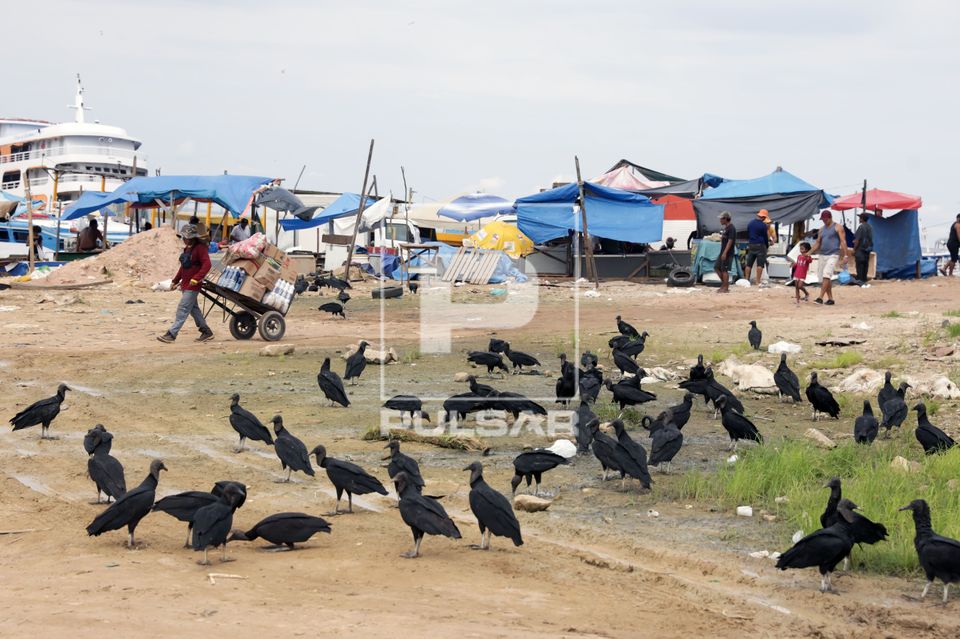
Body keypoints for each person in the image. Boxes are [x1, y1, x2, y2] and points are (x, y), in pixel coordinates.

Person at [157, 224, 213, 343]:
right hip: (185, 285)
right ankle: (206, 332)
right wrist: (175, 281)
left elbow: (207, 265)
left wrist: (196, 278)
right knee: (194, 309)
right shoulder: (187, 249)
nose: (183, 239)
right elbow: (183, 268)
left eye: (185, 237)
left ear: (191, 237)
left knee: (183, 308)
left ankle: (171, 334)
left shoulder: (200, 248)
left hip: (193, 285)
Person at [808, 210, 849, 305]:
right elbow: (818, 242)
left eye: (825, 219)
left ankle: (820, 298)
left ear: (830, 218)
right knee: (825, 278)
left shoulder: (837, 227)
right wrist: (809, 252)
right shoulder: (822, 229)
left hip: (833, 254)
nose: (824, 221)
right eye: (822, 219)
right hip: (822, 254)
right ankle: (830, 299)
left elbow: (843, 241)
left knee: (827, 274)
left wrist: (845, 255)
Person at [744, 209, 771, 286]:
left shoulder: (750, 223)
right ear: (764, 217)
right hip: (760, 245)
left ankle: (746, 280)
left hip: (751, 244)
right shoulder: (763, 225)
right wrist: (767, 245)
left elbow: (748, 233)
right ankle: (757, 281)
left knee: (749, 263)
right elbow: (765, 237)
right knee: (760, 264)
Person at [715, 212, 736, 294]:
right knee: (716, 267)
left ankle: (725, 287)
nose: (720, 220)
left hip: (727, 252)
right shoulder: (726, 228)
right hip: (722, 251)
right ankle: (724, 285)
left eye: (721, 218)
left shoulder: (731, 228)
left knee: (724, 270)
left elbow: (730, 241)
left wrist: (725, 252)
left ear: (725, 219)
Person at [853, 212, 874, 285]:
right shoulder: (870, 227)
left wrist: (854, 249)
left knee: (859, 266)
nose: (859, 219)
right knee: (865, 265)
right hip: (867, 250)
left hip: (860, 250)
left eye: (860, 218)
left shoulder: (861, 227)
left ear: (862, 219)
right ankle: (864, 280)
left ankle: (860, 281)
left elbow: (857, 240)